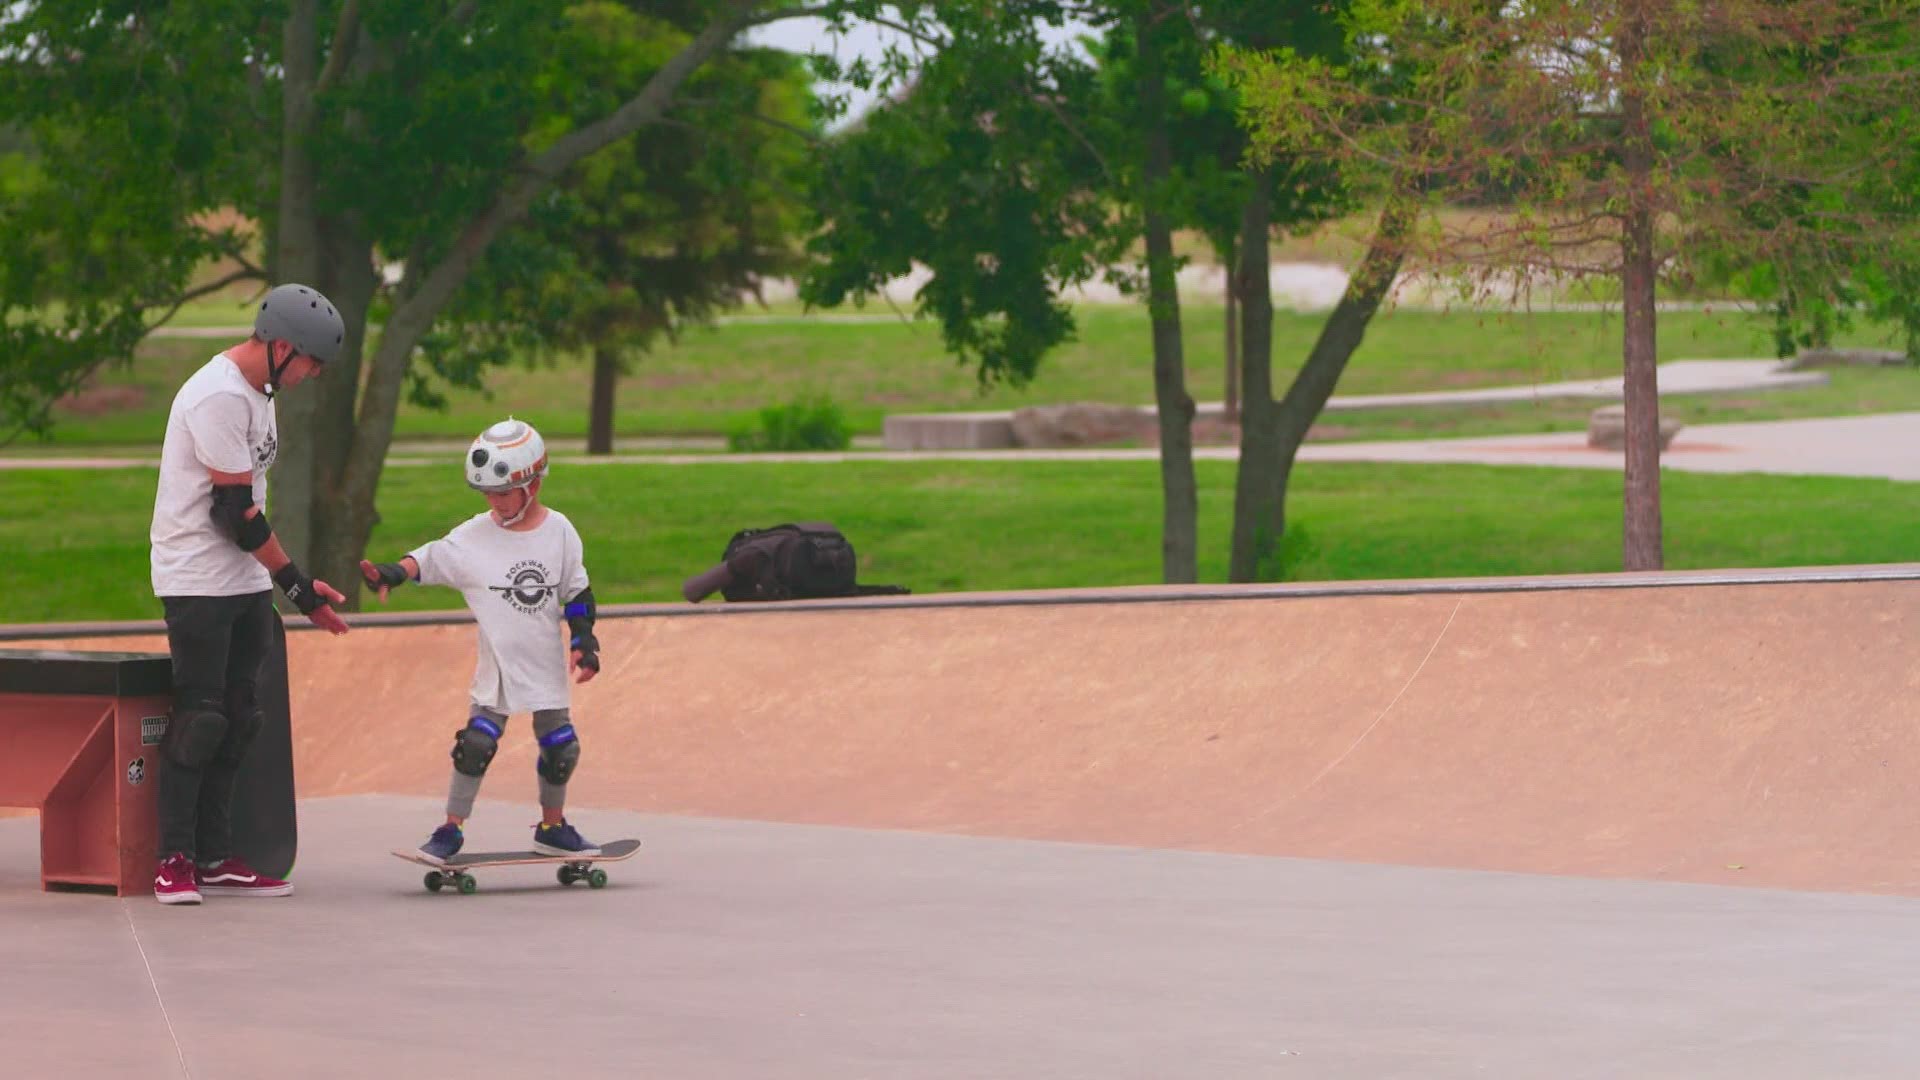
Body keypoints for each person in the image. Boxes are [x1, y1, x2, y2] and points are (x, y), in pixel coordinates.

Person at [148, 282, 352, 906]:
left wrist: (285, 578)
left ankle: (214, 856)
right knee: (201, 718)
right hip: (196, 579)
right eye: (313, 362)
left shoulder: (261, 393)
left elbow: (254, 507)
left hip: (240, 581)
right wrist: (296, 586)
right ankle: (173, 861)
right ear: (284, 347)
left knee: (239, 719)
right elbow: (234, 514)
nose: (314, 374)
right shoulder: (216, 396)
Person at [358, 417, 603, 864]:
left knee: (561, 746)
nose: (493, 501)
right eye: (487, 493)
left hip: (544, 663)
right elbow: (429, 557)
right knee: (476, 744)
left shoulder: (560, 532)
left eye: (501, 492)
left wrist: (585, 641)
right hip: (498, 668)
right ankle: (449, 832)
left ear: (531, 483)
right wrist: (394, 572)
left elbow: (577, 593)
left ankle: (553, 828)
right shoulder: (475, 536)